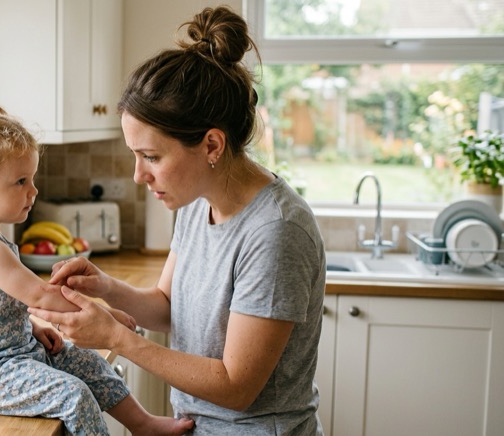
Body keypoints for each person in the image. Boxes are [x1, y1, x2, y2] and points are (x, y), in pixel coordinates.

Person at [29, 6, 325, 435]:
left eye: (151, 156)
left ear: (211, 145)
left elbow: (236, 386)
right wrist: (107, 287)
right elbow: (170, 309)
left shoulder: (276, 231)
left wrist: (116, 337)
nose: (138, 175)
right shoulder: (194, 201)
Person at [0, 104, 194, 435]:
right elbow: (39, 294)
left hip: (9, 352)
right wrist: (105, 317)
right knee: (73, 395)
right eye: (20, 181)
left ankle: (143, 424)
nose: (33, 191)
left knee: (89, 363)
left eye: (31, 179)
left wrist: (31, 327)